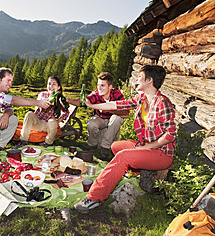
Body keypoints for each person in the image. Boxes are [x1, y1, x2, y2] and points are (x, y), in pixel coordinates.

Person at [74, 65, 176, 213]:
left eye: (140, 77)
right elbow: (117, 104)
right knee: (116, 146)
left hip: (161, 153)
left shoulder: (163, 103)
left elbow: (170, 135)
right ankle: (131, 171)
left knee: (123, 156)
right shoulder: (142, 99)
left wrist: (147, 148)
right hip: (146, 146)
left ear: (149, 80)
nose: (136, 79)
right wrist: (92, 105)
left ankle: (94, 199)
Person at [68, 72, 127, 160]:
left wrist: (108, 109)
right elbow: (83, 102)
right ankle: (92, 144)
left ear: (110, 87)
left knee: (117, 118)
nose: (99, 88)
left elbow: (126, 113)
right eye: (98, 85)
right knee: (91, 123)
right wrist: (68, 100)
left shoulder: (117, 94)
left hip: (113, 120)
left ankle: (105, 149)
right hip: (101, 119)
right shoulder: (95, 94)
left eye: (102, 85)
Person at [16, 76, 70, 148]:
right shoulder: (42, 94)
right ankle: (23, 141)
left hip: (48, 126)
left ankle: (47, 143)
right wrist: (49, 100)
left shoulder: (60, 99)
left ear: (59, 87)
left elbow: (66, 112)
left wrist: (58, 120)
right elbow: (41, 102)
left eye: (54, 84)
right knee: (29, 114)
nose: (51, 86)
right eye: (49, 84)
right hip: (37, 122)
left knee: (52, 122)